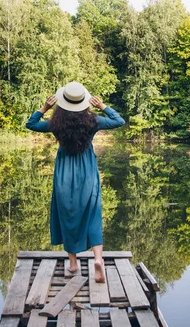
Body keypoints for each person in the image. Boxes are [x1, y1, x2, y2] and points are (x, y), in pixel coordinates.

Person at [25, 81, 125, 283]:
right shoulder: (93, 121)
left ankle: (73, 264)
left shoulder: (56, 124)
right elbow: (118, 121)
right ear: (83, 103)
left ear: (63, 103)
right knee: (93, 213)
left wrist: (44, 108)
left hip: (64, 175)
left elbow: (31, 124)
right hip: (87, 173)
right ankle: (98, 259)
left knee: (68, 214)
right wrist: (102, 106)